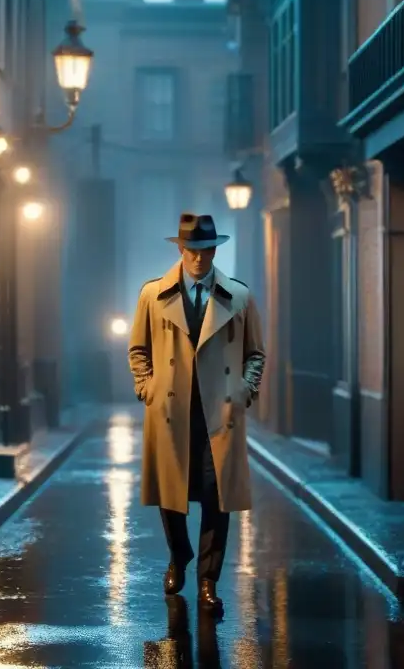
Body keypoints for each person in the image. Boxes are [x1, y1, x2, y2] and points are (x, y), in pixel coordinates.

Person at [127, 212, 266, 613]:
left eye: (206, 250)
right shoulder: (153, 295)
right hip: (170, 409)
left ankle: (208, 580)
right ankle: (179, 556)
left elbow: (255, 353)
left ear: (215, 250)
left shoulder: (237, 295)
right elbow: (138, 350)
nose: (200, 259)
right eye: (192, 250)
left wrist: (244, 389)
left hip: (218, 412)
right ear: (181, 249)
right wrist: (146, 386)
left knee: (216, 496)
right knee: (171, 496)